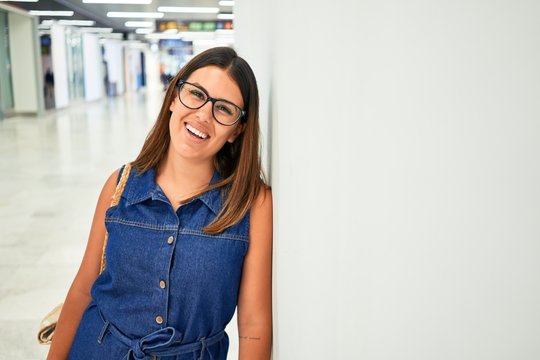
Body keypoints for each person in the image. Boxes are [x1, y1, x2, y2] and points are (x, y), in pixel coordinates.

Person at [47, 47, 273, 360]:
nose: (203, 115)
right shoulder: (120, 184)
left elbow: (253, 325)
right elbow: (83, 289)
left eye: (224, 109)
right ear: (173, 98)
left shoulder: (251, 204)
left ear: (237, 130)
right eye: (196, 94)